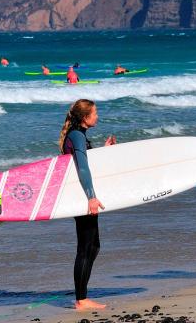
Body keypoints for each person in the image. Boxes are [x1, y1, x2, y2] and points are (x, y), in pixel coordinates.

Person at [59, 99, 116, 311]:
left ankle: (82, 294)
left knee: (93, 246)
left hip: (82, 195)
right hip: (83, 197)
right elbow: (82, 169)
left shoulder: (78, 135)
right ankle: (81, 300)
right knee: (85, 248)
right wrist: (91, 197)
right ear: (85, 118)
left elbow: (85, 162)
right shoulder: (76, 135)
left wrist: (104, 150)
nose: (97, 116)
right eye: (95, 113)